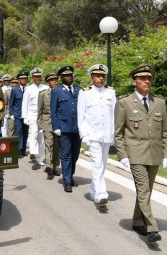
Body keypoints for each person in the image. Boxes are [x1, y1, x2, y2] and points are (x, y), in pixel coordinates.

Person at [114, 64, 167, 242]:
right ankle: (152, 227)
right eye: (142, 78)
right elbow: (118, 133)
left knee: (147, 190)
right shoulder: (124, 103)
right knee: (144, 189)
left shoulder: (159, 103)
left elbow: (165, 132)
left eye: (149, 79)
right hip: (135, 154)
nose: (147, 81)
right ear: (134, 81)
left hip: (154, 154)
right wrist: (123, 155)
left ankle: (137, 221)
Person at [77, 64, 116, 208]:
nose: (101, 78)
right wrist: (84, 135)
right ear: (92, 77)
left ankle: (93, 190)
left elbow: (114, 115)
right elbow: (81, 116)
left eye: (102, 76)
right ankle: (101, 195)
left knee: (102, 165)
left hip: (107, 135)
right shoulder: (85, 93)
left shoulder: (110, 92)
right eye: (98, 76)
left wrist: (114, 134)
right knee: (97, 165)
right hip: (92, 135)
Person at [50, 65, 82, 193]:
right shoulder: (56, 91)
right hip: (63, 128)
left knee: (75, 154)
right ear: (61, 78)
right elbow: (53, 111)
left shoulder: (79, 90)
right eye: (66, 76)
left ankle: (71, 175)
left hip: (77, 128)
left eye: (70, 75)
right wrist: (56, 127)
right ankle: (67, 181)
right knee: (66, 155)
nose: (69, 77)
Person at [22, 68, 47, 164]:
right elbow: (25, 104)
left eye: (39, 76)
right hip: (32, 115)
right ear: (32, 78)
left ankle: (40, 158)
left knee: (41, 138)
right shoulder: (28, 89)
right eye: (35, 77)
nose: (37, 78)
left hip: (43, 116)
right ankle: (33, 152)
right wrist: (25, 117)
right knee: (34, 133)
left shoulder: (45, 88)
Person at [38, 71, 60, 176]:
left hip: (59, 123)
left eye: (55, 80)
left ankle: (55, 166)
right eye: (52, 80)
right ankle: (48, 166)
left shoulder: (61, 92)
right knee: (49, 144)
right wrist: (40, 124)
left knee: (56, 146)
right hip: (47, 122)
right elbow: (40, 110)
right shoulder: (43, 94)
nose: (54, 82)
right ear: (48, 82)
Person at [9, 71, 28, 156]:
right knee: (18, 132)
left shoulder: (29, 89)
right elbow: (11, 103)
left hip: (26, 115)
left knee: (25, 132)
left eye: (25, 78)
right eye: (21, 78)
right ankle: (19, 149)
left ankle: (24, 149)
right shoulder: (15, 90)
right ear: (19, 80)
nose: (23, 79)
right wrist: (12, 113)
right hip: (18, 114)